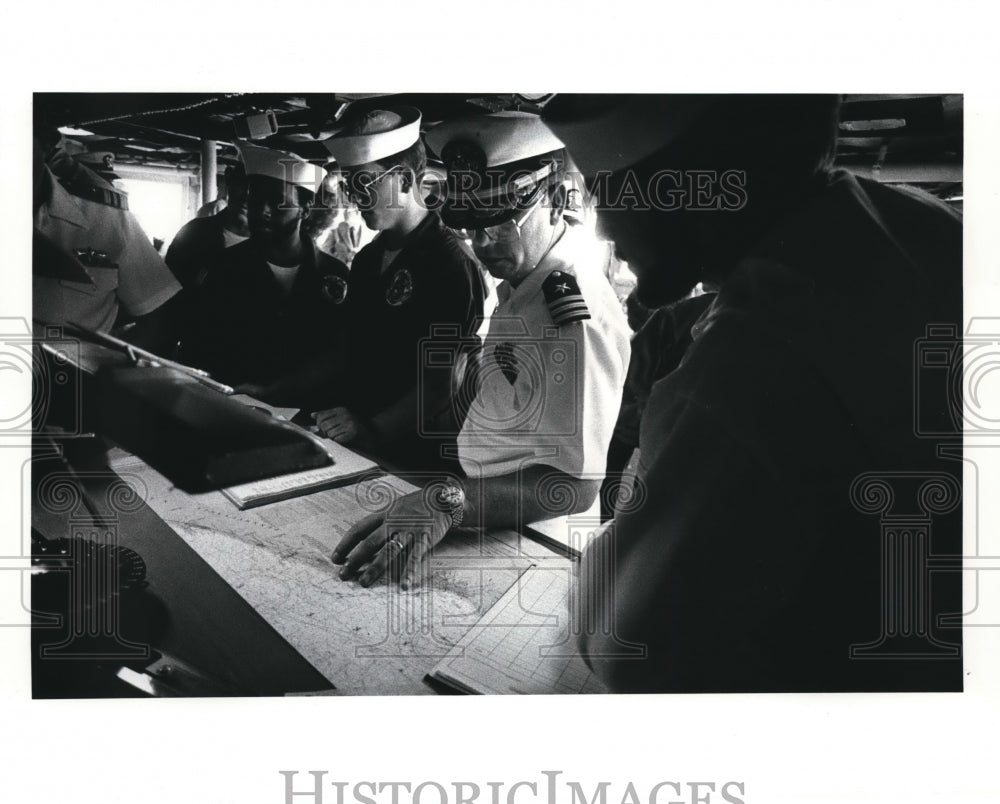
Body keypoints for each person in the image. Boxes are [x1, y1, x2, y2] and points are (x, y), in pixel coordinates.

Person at [541, 94, 963, 692]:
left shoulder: (757, 354)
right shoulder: (917, 221)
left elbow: (627, 644)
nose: (604, 225)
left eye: (612, 189)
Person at [330, 111, 630, 590]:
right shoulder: (523, 285)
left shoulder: (571, 316)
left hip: (534, 541)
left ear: (555, 199)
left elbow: (576, 485)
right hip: (488, 514)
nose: (483, 243)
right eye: (471, 224)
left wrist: (449, 501)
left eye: (501, 222)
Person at [311, 107, 485, 469]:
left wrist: (370, 431)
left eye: (364, 183)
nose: (354, 197)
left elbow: (441, 385)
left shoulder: (451, 264)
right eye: (348, 185)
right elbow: (350, 351)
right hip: (357, 443)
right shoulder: (367, 260)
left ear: (405, 180)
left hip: (414, 456)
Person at [180, 143, 348, 393]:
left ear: (305, 208)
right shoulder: (223, 269)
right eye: (256, 199)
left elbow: (341, 353)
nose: (263, 211)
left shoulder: (334, 276)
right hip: (235, 407)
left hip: (310, 414)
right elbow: (198, 347)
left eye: (278, 202)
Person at [33, 131, 182, 354]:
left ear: (46, 144)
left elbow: (158, 318)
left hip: (70, 382)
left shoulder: (106, 217)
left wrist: (99, 366)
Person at [165, 163, 250, 289]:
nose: (247, 194)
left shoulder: (274, 242)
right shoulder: (192, 234)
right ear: (229, 179)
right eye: (242, 182)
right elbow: (168, 290)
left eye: (258, 188)